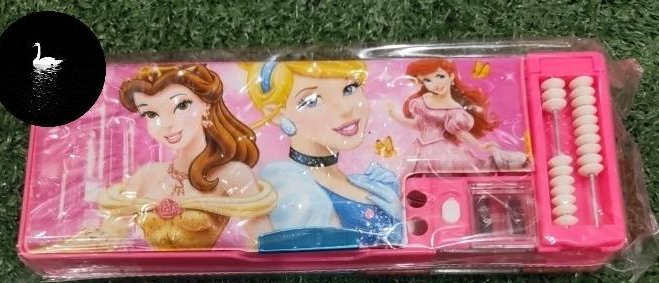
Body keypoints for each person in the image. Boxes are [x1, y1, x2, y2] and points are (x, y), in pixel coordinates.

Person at [73, 64, 277, 251]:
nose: (166, 124)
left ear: (206, 105)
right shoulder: (147, 175)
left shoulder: (232, 174)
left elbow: (261, 241)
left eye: (181, 106)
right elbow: (111, 234)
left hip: (208, 274)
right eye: (151, 114)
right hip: (148, 274)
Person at [242, 60, 403, 247]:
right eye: (312, 101)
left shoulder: (372, 182)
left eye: (349, 88)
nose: (345, 109)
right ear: (278, 114)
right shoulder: (292, 189)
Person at [387, 58, 528, 174]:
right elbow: (417, 124)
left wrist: (479, 146)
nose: (436, 84)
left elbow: (460, 133)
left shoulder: (455, 110)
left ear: (451, 77)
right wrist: (394, 114)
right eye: (428, 80)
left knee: (448, 180)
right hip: (418, 151)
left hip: (443, 154)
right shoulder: (422, 102)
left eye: (440, 76)